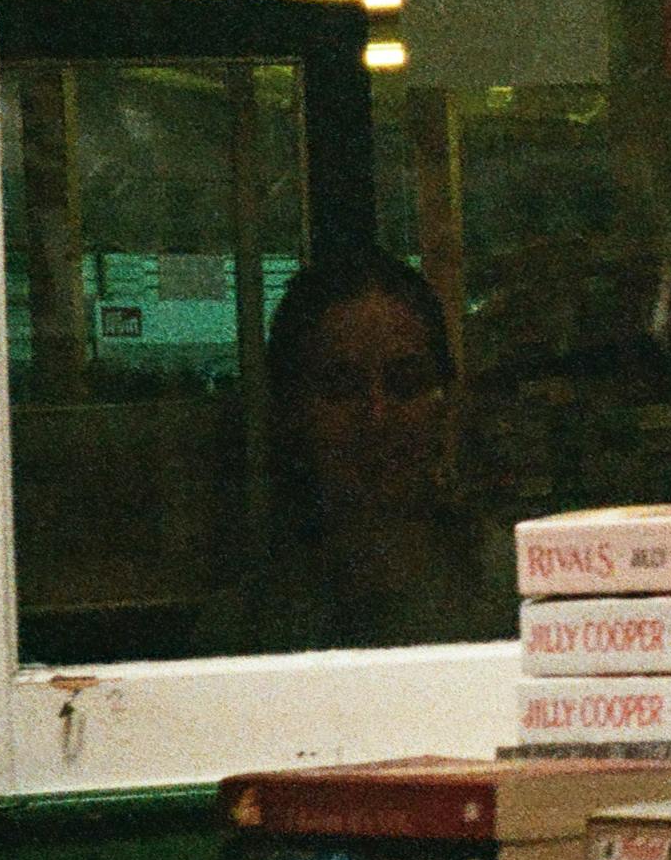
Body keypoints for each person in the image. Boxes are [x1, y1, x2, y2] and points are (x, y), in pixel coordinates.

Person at [203, 247, 510, 649]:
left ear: (447, 404)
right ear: (292, 411)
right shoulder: (247, 631)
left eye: (405, 383)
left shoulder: (519, 597)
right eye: (341, 387)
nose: (377, 416)